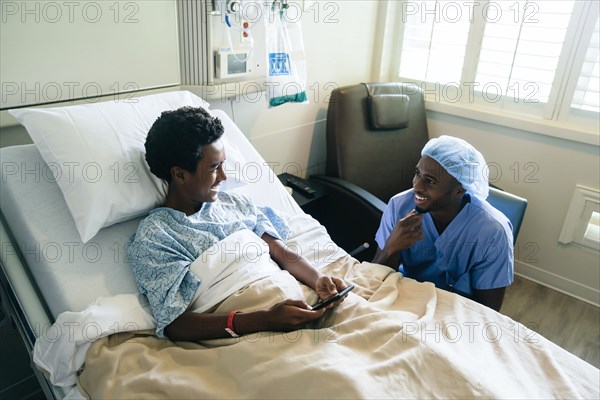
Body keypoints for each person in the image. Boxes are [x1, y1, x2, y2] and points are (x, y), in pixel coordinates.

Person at [127, 106, 348, 342]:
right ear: (180, 175)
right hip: (246, 327)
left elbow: (280, 252)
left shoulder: (235, 203)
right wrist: (265, 319)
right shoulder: (156, 236)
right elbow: (174, 324)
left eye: (223, 164)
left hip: (296, 302)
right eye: (213, 168)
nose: (224, 176)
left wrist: (317, 279)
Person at [372, 135, 513, 311]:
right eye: (417, 174)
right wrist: (391, 247)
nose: (417, 186)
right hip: (405, 301)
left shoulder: (492, 231)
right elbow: (374, 280)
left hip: (457, 311)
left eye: (430, 181)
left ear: (459, 190)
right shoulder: (399, 206)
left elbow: (488, 310)